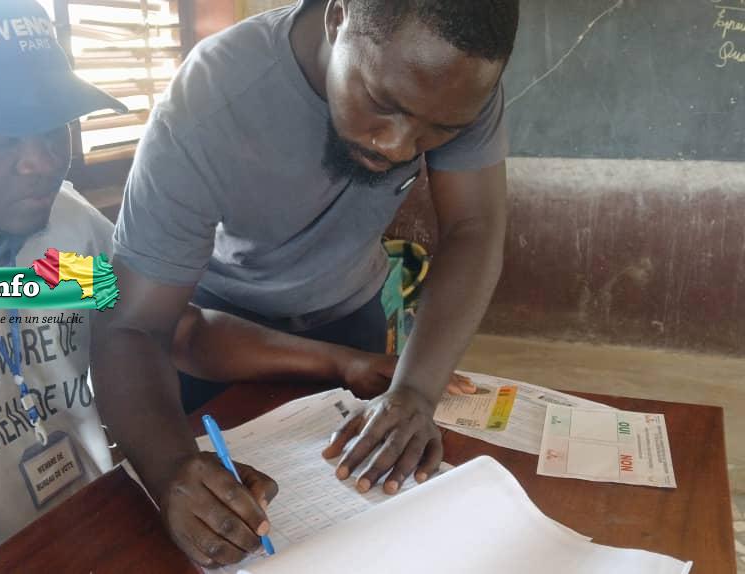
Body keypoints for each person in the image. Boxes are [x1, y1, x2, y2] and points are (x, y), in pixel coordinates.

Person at [0, 1, 466, 571]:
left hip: (82, 523)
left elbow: (179, 332)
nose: (41, 162)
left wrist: (341, 362)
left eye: (53, 127)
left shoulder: (61, 239)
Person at [94, 0, 519, 567]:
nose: (398, 147)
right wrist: (170, 468)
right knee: (203, 512)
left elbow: (474, 227)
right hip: (222, 334)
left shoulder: (456, 85)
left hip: (352, 312)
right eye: (383, 104)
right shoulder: (210, 100)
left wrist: (416, 392)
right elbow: (135, 326)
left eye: (440, 131)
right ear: (337, 18)